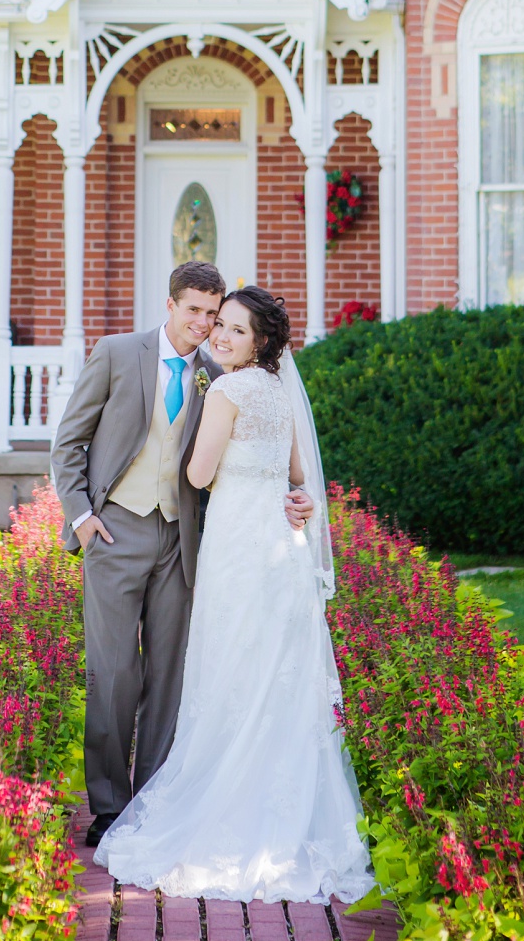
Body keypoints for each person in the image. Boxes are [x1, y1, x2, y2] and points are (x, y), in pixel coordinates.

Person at [94, 286, 374, 906]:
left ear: (262, 342)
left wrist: (206, 432)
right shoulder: (278, 392)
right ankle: (288, 814)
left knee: (229, 669)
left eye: (236, 331)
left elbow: (197, 474)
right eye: (219, 325)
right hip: (281, 550)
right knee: (277, 671)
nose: (219, 336)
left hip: (239, 549)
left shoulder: (223, 390)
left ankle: (224, 804)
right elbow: (302, 475)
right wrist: (293, 494)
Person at [51, 262, 315, 848]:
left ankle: (152, 799)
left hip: (185, 539)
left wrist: (284, 499)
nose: (204, 324)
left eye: (214, 314)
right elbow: (69, 442)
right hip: (116, 528)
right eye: (194, 311)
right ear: (169, 305)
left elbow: (250, 453)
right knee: (114, 672)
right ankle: (108, 803)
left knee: (171, 675)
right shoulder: (119, 353)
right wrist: (83, 517)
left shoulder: (221, 373)